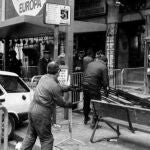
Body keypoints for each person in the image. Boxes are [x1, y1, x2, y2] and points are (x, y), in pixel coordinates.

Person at [20, 61, 73, 150]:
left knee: (31, 135)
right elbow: (62, 103)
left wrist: (68, 88)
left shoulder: (43, 78)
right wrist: (72, 104)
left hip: (32, 108)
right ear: (58, 71)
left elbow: (55, 88)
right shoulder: (54, 85)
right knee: (47, 139)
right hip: (42, 112)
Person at [82, 52, 109, 127]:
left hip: (85, 84)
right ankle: (94, 122)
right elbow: (105, 81)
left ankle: (86, 117)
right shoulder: (104, 67)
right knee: (96, 103)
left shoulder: (91, 63)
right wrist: (106, 91)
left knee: (86, 101)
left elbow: (85, 73)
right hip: (93, 86)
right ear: (105, 62)